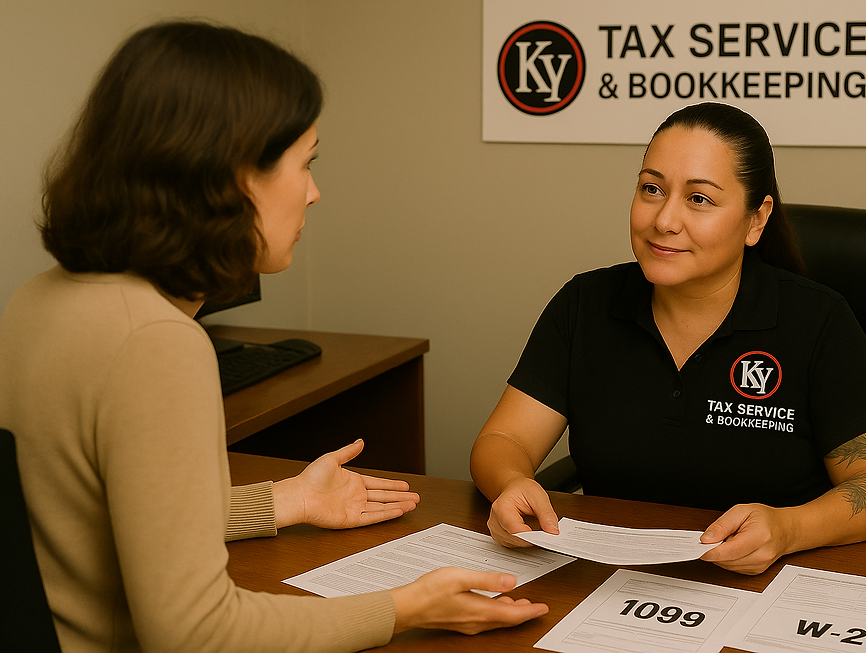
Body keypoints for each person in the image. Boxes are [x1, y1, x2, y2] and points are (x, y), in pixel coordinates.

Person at [0, 21, 546, 652]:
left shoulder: (40, 298)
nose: (314, 193)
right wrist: (405, 607)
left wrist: (283, 500)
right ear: (231, 178)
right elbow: (195, 634)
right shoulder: (156, 342)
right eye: (304, 164)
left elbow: (97, 516)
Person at [470, 102, 866, 576]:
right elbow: (504, 437)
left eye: (699, 199)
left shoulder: (818, 319)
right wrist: (511, 482)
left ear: (756, 220)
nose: (664, 220)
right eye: (652, 189)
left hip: (765, 584)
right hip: (607, 582)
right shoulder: (586, 303)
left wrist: (789, 528)